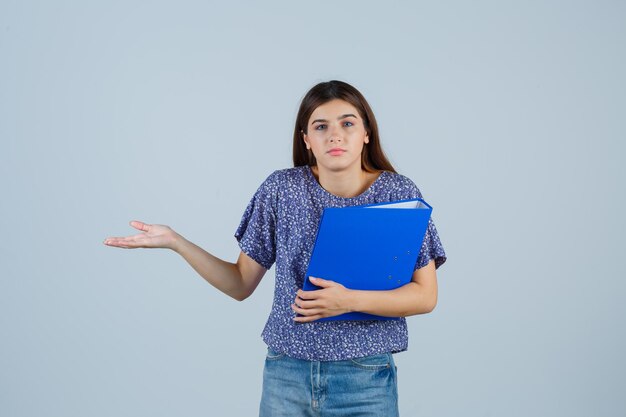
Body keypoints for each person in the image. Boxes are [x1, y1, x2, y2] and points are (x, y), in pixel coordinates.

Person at [103, 80, 446, 416]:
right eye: (321, 126)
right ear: (306, 139)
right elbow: (240, 283)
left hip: (365, 376)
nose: (335, 135)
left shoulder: (398, 194)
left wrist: (348, 301)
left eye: (347, 123)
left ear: (366, 133)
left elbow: (425, 296)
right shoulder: (281, 189)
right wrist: (176, 242)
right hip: (287, 374)